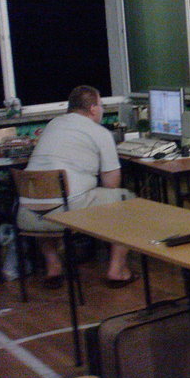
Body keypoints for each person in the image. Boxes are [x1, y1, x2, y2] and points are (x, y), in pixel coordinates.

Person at [16, 85, 136, 289]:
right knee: (126, 201)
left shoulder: (53, 124)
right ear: (93, 109)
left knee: (46, 200)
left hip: (28, 215)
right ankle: (117, 270)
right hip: (64, 212)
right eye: (101, 105)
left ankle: (53, 265)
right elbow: (111, 185)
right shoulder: (99, 133)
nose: (102, 109)